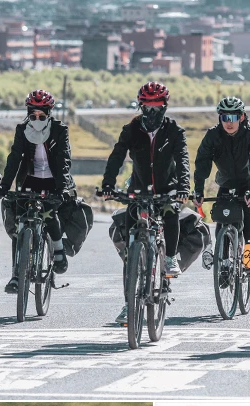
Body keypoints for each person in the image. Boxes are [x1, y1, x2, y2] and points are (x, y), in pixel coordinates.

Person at [101, 81, 190, 325]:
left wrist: (183, 188)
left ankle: (170, 258)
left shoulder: (175, 131)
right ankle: (129, 304)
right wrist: (108, 184)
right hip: (138, 189)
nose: (151, 112)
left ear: (165, 106)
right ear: (140, 106)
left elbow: (183, 159)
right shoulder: (131, 129)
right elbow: (117, 155)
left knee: (171, 211)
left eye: (157, 106)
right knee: (131, 252)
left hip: (167, 188)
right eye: (146, 107)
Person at [0, 89, 75, 293]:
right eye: (33, 115)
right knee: (20, 227)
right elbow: (14, 159)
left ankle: (57, 250)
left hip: (53, 181)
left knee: (49, 213)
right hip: (29, 180)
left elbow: (64, 160)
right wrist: (4, 187)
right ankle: (15, 275)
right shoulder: (22, 130)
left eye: (42, 116)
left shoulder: (59, 130)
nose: (37, 119)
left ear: (49, 114)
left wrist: (63, 187)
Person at [193, 96, 250, 276]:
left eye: (233, 118)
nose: (229, 123)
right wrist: (199, 189)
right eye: (225, 118)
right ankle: (223, 261)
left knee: (248, 217)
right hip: (225, 182)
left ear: (241, 117)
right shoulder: (213, 135)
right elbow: (202, 162)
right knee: (222, 216)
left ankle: (249, 259)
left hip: (247, 183)